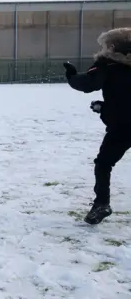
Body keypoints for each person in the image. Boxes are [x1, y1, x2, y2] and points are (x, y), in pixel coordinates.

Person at [63, 27, 131, 224]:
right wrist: (105, 107)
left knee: (104, 164)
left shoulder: (108, 64)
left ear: (111, 46)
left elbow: (88, 84)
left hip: (123, 127)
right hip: (122, 121)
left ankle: (101, 203)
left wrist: (71, 76)